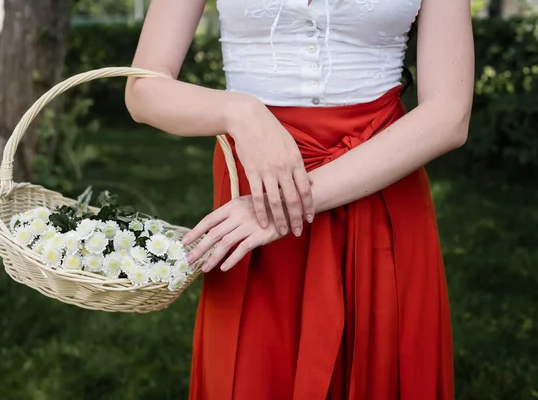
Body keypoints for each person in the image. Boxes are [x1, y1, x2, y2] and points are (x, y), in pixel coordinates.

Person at [125, 0, 474, 398]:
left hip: (381, 175)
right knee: (253, 371)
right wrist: (239, 112)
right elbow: (142, 90)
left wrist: (288, 204)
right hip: (256, 179)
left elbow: (449, 114)